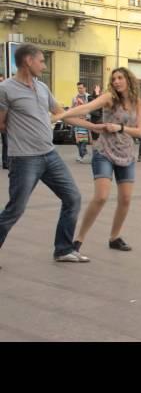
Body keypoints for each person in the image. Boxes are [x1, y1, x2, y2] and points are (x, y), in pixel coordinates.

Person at [0, 43, 92, 265]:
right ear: (28, 61)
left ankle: (63, 249)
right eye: (41, 61)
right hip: (24, 159)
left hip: (50, 155)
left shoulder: (42, 88)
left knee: (73, 197)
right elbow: (1, 124)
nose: (44, 65)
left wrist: (94, 128)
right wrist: (21, 130)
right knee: (16, 209)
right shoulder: (6, 89)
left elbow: (61, 114)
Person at [55, 67, 141, 253]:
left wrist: (120, 127)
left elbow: (139, 131)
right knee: (101, 197)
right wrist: (61, 115)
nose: (116, 82)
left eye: (120, 78)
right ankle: (78, 240)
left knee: (126, 199)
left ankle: (115, 237)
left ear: (128, 79)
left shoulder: (137, 101)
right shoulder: (109, 98)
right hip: (104, 151)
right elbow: (86, 107)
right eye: (114, 79)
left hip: (126, 153)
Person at [72, 82, 91, 163]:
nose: (79, 90)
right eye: (78, 88)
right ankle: (83, 152)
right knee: (75, 139)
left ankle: (81, 155)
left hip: (86, 119)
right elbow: (72, 108)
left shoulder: (89, 97)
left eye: (81, 88)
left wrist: (83, 103)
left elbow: (91, 107)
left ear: (85, 88)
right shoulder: (74, 98)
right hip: (77, 119)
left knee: (84, 139)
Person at [0, 75, 8, 170]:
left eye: (2, 81)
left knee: (6, 142)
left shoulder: (4, 93)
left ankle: (6, 162)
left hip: (3, 121)